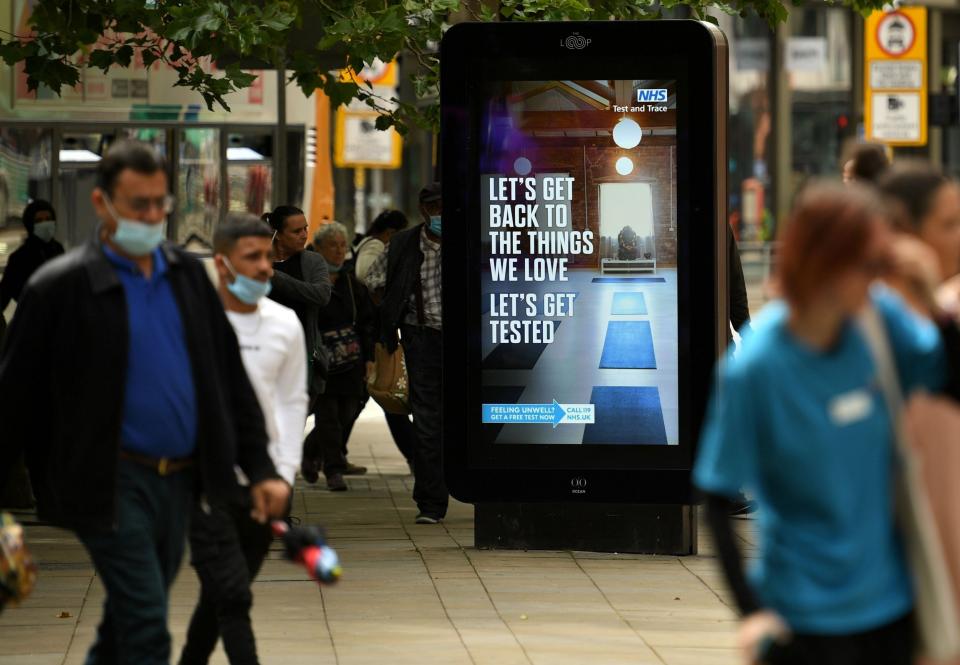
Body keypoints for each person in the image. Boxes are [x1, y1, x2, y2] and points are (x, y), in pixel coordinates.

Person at [0, 141, 291, 664]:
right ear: (102, 204)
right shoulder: (59, 289)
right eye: (139, 205)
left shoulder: (186, 278)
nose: (152, 216)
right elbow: (11, 403)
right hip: (108, 479)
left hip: (179, 482)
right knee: (147, 627)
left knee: (126, 621)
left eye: (161, 203)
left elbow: (229, 382)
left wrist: (262, 468)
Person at [695, 183, 958, 665]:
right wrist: (751, 613)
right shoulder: (756, 368)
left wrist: (935, 308)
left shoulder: (878, 323)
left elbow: (950, 380)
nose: (879, 280)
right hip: (802, 617)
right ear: (826, 263)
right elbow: (715, 496)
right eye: (869, 266)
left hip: (890, 608)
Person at [179, 214, 307, 665]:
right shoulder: (192, 326)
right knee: (232, 594)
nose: (264, 268)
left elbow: (293, 404)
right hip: (203, 485)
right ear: (222, 263)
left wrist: (284, 475)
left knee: (223, 594)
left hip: (265, 485)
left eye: (267, 257)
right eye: (250, 257)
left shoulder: (284, 324)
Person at [364, 182, 448, 524]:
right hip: (421, 338)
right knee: (427, 421)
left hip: (466, 342)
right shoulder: (403, 243)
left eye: (444, 205)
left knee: (465, 419)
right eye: (433, 206)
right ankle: (430, 502)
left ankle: (471, 488)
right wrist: (392, 313)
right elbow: (372, 280)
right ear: (423, 209)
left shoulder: (473, 237)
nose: (438, 212)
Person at [301, 222, 375, 491]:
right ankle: (333, 469)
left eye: (343, 245)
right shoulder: (308, 278)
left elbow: (366, 323)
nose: (339, 250)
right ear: (318, 247)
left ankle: (310, 450)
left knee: (348, 412)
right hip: (321, 360)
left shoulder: (350, 283)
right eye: (332, 245)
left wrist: (369, 358)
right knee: (328, 415)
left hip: (350, 361)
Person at [354, 210, 417, 468]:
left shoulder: (383, 246)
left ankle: (322, 454)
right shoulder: (377, 248)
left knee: (367, 399)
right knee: (389, 398)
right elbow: (366, 277)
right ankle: (416, 456)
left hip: (376, 333)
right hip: (373, 333)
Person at [262, 205, 332, 399]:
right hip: (265, 353)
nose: (304, 235)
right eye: (296, 231)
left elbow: (321, 295)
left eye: (305, 229)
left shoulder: (312, 261)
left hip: (301, 355)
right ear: (278, 234)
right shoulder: (259, 260)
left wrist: (275, 276)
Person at [0, 199, 64, 317]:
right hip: (32, 322)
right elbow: (4, 296)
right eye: (39, 221)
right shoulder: (19, 258)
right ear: (30, 224)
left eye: (48, 219)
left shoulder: (58, 250)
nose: (45, 224)